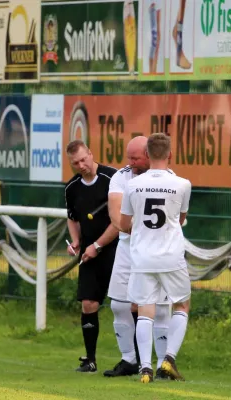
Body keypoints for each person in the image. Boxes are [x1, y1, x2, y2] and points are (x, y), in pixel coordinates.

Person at [120, 133, 192, 383]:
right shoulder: (183, 184)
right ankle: (168, 359)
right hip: (171, 256)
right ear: (170, 154)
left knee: (144, 312)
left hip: (141, 257)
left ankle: (145, 368)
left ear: (148, 155)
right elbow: (180, 219)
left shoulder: (132, 185)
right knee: (181, 305)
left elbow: (123, 223)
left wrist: (140, 229)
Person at [104, 135, 174, 379]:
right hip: (127, 248)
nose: (131, 162)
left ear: (148, 155)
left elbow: (174, 219)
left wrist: (144, 229)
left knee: (162, 309)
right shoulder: (121, 177)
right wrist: (141, 228)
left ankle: (164, 364)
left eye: (135, 158)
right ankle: (129, 360)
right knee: (119, 305)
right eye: (129, 157)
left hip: (157, 250)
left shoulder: (171, 179)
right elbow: (116, 217)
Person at [64, 139, 120, 373]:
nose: (81, 165)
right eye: (75, 163)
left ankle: (135, 360)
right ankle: (90, 359)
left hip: (118, 250)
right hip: (89, 252)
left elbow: (119, 222)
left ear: (91, 153)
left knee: (126, 306)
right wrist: (76, 241)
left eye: (83, 159)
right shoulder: (72, 187)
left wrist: (97, 245)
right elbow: (72, 217)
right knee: (88, 304)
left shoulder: (113, 179)